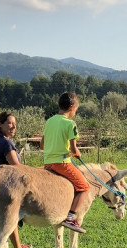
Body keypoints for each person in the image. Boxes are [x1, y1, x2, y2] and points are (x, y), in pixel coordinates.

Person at [0, 111, 33, 248]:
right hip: (8, 189)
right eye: (9, 123)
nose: (14, 126)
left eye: (15, 124)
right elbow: (16, 168)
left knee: (9, 221)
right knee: (4, 226)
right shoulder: (7, 144)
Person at [41, 92, 90, 234]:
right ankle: (70, 217)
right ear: (73, 107)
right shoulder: (70, 124)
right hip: (62, 162)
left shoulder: (49, 121)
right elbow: (74, 149)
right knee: (84, 187)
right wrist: (77, 153)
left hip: (47, 163)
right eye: (77, 109)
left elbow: (42, 145)